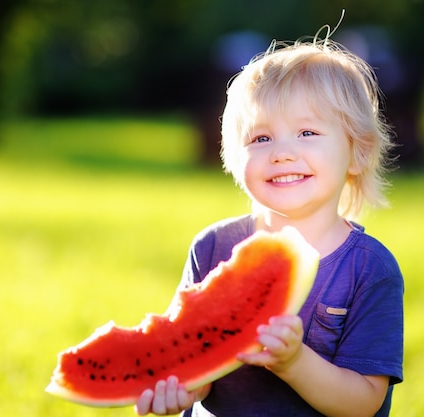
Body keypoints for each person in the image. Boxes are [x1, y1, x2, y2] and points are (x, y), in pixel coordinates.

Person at [135, 29, 404, 417]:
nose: (281, 153)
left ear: (357, 153)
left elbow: (363, 402)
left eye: (307, 133)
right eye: (260, 138)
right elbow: (190, 356)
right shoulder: (213, 247)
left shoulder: (369, 268)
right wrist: (175, 387)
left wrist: (294, 362)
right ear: (232, 157)